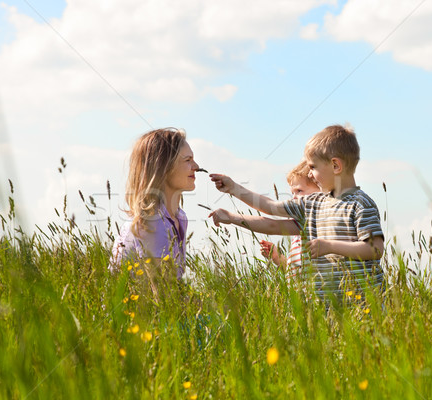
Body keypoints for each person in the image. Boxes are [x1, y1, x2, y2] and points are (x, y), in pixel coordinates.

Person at [210, 125, 384, 301]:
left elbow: (375, 249)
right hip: (326, 309)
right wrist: (233, 189)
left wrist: (330, 246)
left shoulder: (361, 204)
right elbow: (271, 207)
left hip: (362, 307)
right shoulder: (313, 204)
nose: (310, 173)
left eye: (313, 167)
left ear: (335, 165)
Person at [209, 160, 320, 284]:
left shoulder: (313, 206)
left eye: (299, 191)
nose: (294, 198)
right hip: (304, 296)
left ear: (321, 187)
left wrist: (233, 190)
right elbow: (272, 227)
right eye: (292, 193)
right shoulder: (307, 223)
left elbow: (270, 215)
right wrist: (278, 258)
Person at [109, 128, 199, 279]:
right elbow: (161, 295)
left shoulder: (179, 217)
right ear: (164, 167)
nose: (196, 166)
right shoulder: (153, 222)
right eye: (187, 160)